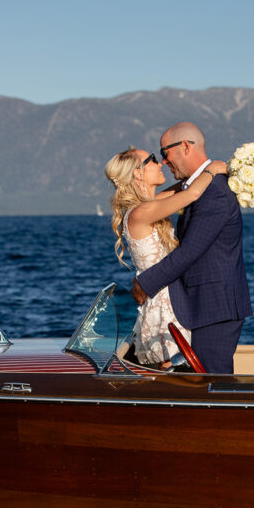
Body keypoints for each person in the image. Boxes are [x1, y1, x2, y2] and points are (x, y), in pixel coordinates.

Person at [132, 122, 252, 374]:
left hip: (214, 306)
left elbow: (190, 251)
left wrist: (145, 283)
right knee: (201, 384)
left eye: (165, 153)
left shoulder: (215, 192)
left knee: (212, 385)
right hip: (200, 304)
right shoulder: (202, 187)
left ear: (185, 147)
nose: (164, 161)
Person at [105, 146, 219, 367]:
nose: (161, 163)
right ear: (138, 172)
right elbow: (191, 193)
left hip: (175, 304)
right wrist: (213, 169)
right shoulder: (140, 212)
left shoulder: (149, 206)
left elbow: (182, 188)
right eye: (154, 159)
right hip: (165, 313)